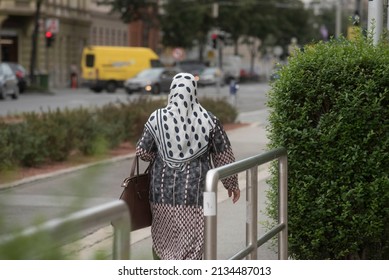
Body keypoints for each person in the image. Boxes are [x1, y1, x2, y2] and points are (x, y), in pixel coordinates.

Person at [136, 72, 240, 260]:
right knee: (197, 238)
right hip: (198, 193)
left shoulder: (157, 118)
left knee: (164, 238)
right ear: (194, 92)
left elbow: (142, 152)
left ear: (172, 91)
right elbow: (223, 155)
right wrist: (231, 184)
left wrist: (161, 155)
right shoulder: (209, 120)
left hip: (161, 192)